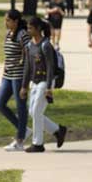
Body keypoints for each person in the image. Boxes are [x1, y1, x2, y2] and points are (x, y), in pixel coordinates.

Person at [20, 17, 67, 152]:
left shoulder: (46, 45)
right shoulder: (29, 45)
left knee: (36, 111)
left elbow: (51, 67)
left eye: (30, 28)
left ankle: (38, 144)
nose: (28, 30)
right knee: (33, 112)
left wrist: (48, 88)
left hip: (45, 81)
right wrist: (24, 86)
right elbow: (27, 67)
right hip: (34, 81)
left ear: (38, 29)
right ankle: (58, 130)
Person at [0, 9, 28, 151]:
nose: (5, 22)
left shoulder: (22, 35)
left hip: (19, 76)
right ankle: (23, 130)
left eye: (8, 20)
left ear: (15, 21)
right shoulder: (8, 34)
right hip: (7, 76)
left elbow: (28, 56)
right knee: (0, 104)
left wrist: (25, 83)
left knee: (21, 107)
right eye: (5, 20)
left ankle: (20, 140)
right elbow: (8, 56)